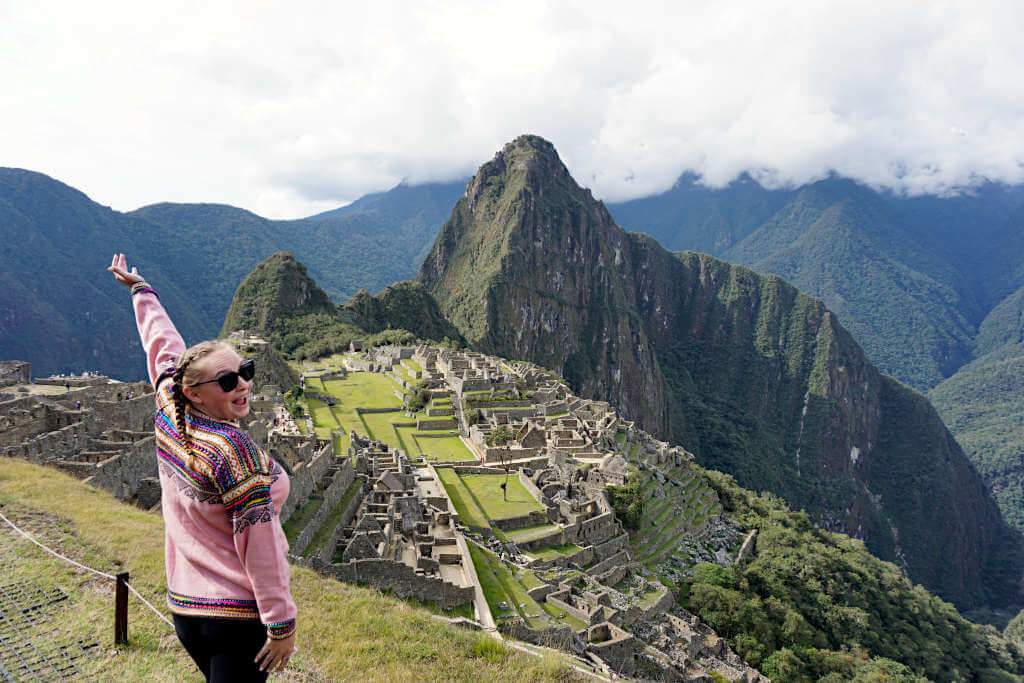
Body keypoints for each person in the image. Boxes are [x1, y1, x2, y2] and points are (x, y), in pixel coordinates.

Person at [108, 253, 297, 681]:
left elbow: (163, 348)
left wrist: (141, 293)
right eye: (228, 382)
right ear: (194, 392)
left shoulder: (170, 408)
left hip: (187, 609)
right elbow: (260, 545)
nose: (244, 384)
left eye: (244, 372)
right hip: (236, 617)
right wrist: (281, 623)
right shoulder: (236, 452)